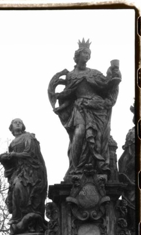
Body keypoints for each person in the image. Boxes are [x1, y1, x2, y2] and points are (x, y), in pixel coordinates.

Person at [48, 39, 121, 179]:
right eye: (85, 53)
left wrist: (114, 72)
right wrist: (57, 96)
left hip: (96, 107)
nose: (87, 56)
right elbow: (69, 93)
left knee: (98, 137)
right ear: (78, 55)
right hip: (80, 107)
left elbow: (106, 85)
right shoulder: (71, 75)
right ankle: (75, 169)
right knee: (79, 133)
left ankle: (99, 168)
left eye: (89, 54)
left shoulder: (94, 73)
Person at [0, 119, 48, 235]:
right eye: (15, 122)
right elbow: (12, 163)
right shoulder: (12, 143)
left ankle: (24, 221)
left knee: (19, 188)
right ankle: (18, 219)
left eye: (19, 122)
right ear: (11, 127)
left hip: (32, 171)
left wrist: (14, 155)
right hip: (20, 172)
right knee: (15, 189)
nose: (17, 123)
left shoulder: (28, 137)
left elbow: (31, 153)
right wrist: (4, 159)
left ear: (23, 126)